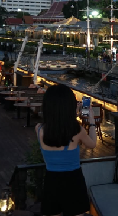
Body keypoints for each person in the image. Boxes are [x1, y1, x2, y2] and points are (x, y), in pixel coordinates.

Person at [35, 84, 97, 216]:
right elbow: (92, 144)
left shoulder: (39, 129)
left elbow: (56, 130)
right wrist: (91, 121)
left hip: (51, 182)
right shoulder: (76, 130)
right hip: (73, 182)